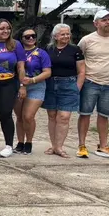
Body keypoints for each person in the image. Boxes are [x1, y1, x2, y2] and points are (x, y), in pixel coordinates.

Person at [77, 10, 109, 159]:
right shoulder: (86, 40)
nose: (108, 22)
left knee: (104, 115)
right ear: (96, 23)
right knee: (85, 114)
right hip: (90, 82)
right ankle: (81, 145)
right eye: (104, 20)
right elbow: (79, 60)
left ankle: (103, 146)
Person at [0, 18, 26, 158]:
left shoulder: (16, 45)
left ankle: (8, 145)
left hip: (8, 83)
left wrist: (22, 85)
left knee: (5, 113)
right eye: (2, 28)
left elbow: (20, 67)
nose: (5, 31)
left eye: (8, 28)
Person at [43, 23, 85, 158]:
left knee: (64, 117)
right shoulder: (48, 49)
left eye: (68, 33)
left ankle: (60, 147)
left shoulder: (75, 50)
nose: (66, 36)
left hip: (69, 84)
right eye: (63, 34)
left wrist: (76, 88)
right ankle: (54, 146)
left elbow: (82, 71)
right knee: (52, 116)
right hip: (50, 84)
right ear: (55, 36)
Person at [14, 27, 52, 154]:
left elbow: (47, 72)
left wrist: (32, 80)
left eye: (33, 36)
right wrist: (21, 84)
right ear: (21, 39)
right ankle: (20, 142)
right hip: (18, 85)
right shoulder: (17, 52)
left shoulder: (41, 53)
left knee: (28, 116)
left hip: (36, 85)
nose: (31, 38)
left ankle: (29, 142)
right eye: (27, 37)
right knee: (19, 116)